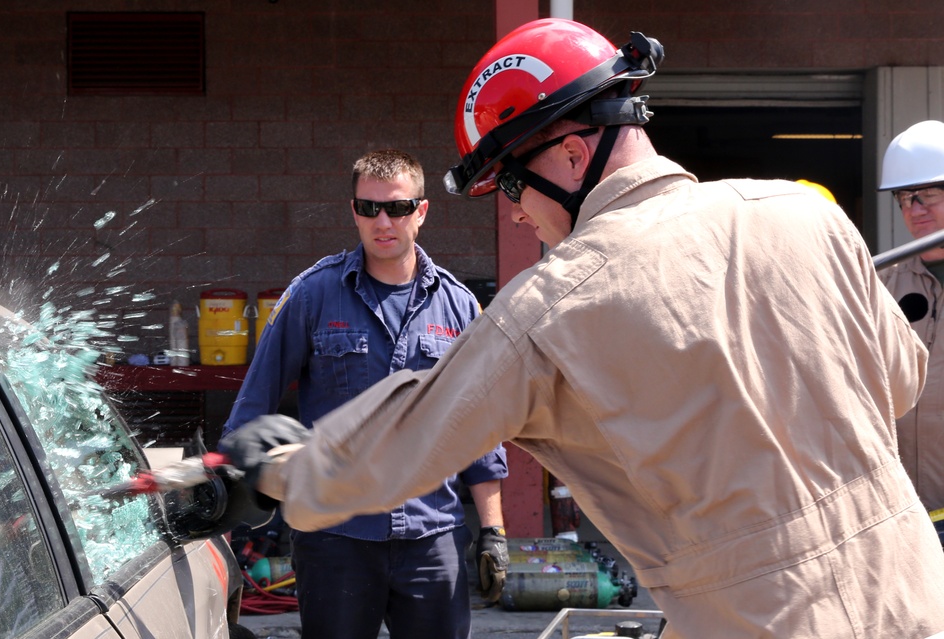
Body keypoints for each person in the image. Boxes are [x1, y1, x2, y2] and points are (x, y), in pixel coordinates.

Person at [220, 19, 944, 638]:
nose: (511, 211)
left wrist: (271, 468)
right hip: (918, 599)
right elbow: (903, 380)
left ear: (573, 151)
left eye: (508, 180)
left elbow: (403, 443)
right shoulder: (804, 213)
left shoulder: (550, 308)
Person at [223, 148, 509, 639]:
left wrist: (493, 530)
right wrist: (234, 510)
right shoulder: (313, 295)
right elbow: (251, 410)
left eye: (397, 208)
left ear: (421, 211)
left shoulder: (459, 307)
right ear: (353, 211)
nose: (383, 221)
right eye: (368, 207)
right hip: (335, 539)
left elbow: (481, 432)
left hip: (431, 538)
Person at [878, 119, 944, 512]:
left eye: (928, 196)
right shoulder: (880, 284)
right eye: (904, 197)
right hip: (903, 512)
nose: (914, 210)